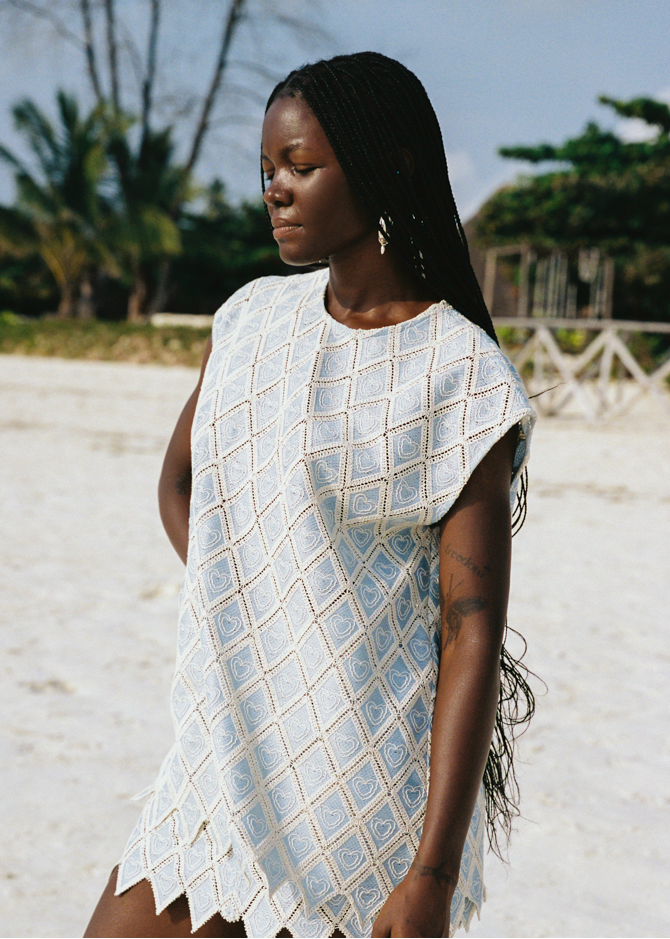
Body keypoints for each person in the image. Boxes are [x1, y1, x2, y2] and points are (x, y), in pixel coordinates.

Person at [85, 52, 535, 939]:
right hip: (220, 757)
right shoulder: (250, 318)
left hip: (358, 799)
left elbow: (469, 627)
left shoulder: (462, 375)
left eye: (300, 167)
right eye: (268, 170)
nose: (275, 190)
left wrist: (434, 876)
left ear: (383, 166)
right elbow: (181, 483)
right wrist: (247, 594)